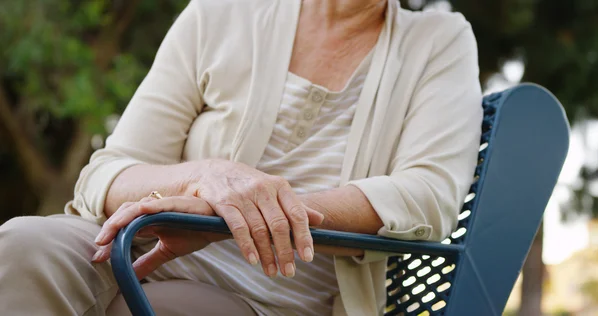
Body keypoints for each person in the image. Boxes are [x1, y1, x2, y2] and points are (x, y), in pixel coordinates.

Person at [0, 0, 483, 315]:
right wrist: (206, 178)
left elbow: (427, 196)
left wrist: (236, 214)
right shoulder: (218, 14)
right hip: (143, 250)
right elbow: (108, 172)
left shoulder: (439, 40)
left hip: (273, 298)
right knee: (21, 244)